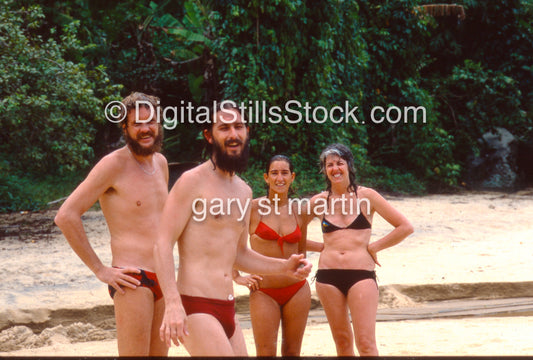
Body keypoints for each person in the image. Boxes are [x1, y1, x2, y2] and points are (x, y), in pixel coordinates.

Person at [153, 105, 312, 356]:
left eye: (238, 127)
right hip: (195, 305)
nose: (233, 134)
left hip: (227, 307)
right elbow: (162, 244)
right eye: (224, 128)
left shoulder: (244, 191)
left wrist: (284, 267)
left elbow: (239, 254)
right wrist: (172, 303)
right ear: (209, 135)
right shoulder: (192, 181)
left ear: (247, 132)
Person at [54, 92, 169, 356]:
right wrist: (100, 269)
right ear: (125, 128)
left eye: (150, 121)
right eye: (137, 123)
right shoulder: (113, 165)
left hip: (164, 276)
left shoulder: (160, 163)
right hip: (132, 280)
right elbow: (66, 215)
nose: (145, 128)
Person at [305, 143, 414, 356]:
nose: (335, 169)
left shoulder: (367, 196)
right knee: (343, 343)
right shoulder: (318, 201)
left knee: (365, 343)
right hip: (327, 277)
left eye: (339, 163)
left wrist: (374, 246)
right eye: (330, 165)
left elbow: (405, 227)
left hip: (361, 274)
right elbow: (293, 234)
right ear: (324, 170)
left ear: (349, 166)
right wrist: (321, 247)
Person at [232, 154, 322, 356]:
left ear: (293, 177)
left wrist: (308, 264)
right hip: (264, 291)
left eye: (284, 173)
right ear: (266, 177)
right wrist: (237, 276)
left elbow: (301, 251)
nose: (279, 178)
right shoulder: (252, 209)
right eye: (274, 173)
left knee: (292, 352)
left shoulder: (300, 211)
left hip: (297, 290)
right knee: (265, 353)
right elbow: (230, 244)